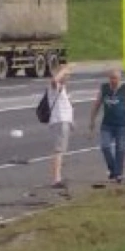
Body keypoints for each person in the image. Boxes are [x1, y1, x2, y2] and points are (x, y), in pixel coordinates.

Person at [87, 66, 125, 185]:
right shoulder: (104, 89)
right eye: (111, 78)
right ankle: (112, 169)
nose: (113, 80)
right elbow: (96, 105)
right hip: (107, 124)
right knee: (105, 147)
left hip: (121, 125)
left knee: (120, 148)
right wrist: (92, 121)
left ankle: (118, 173)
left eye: (115, 78)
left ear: (119, 78)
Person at [45, 62, 74, 191]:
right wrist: (63, 70)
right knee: (58, 150)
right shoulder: (55, 86)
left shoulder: (62, 88)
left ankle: (58, 176)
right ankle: (56, 179)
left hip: (64, 121)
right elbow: (53, 80)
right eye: (67, 75)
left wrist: (71, 122)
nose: (68, 77)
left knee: (61, 150)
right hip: (59, 121)